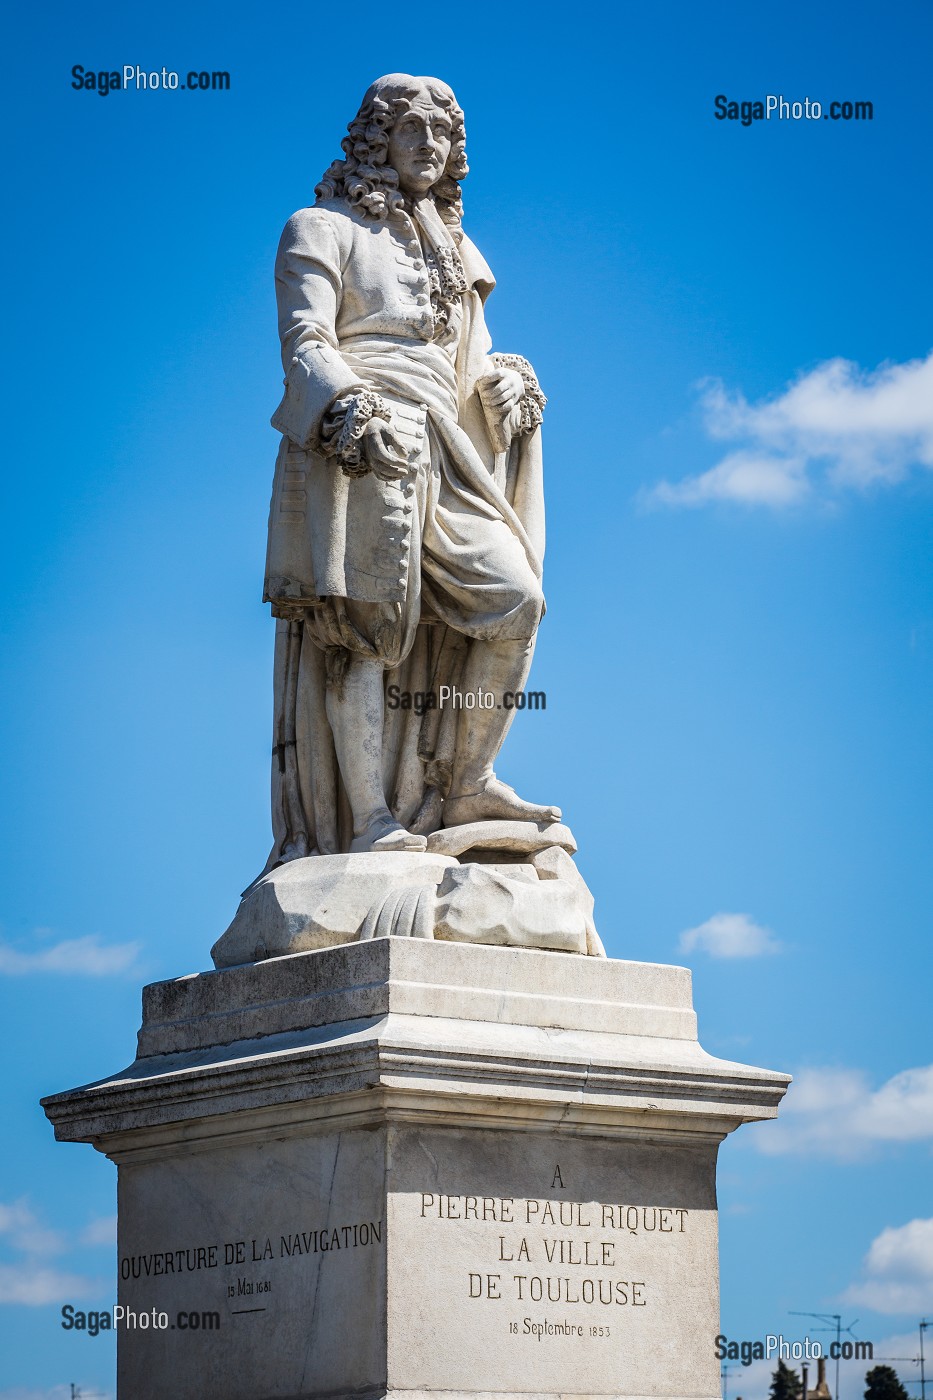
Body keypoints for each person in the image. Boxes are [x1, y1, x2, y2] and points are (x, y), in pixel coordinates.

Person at [264, 73, 560, 862]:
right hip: (364, 432)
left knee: (514, 598)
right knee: (364, 629)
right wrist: (347, 408)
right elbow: (306, 342)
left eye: (441, 135)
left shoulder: (455, 249)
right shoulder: (320, 228)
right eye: (410, 131)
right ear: (375, 141)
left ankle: (466, 778)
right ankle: (368, 820)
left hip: (447, 443)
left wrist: (508, 378)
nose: (428, 147)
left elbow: (469, 356)